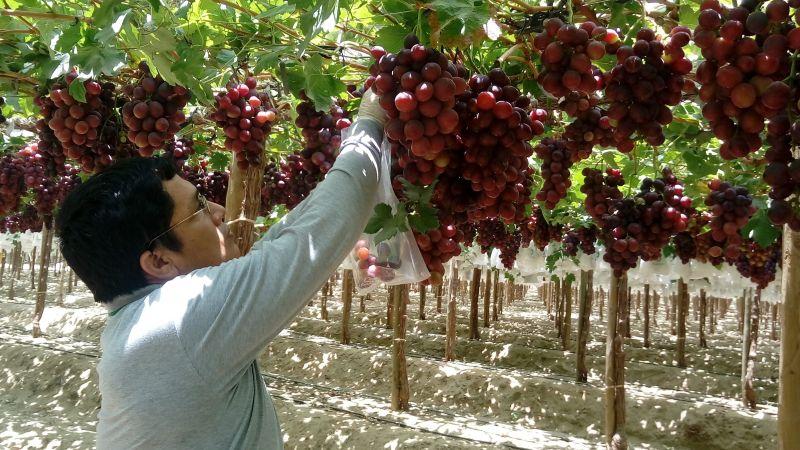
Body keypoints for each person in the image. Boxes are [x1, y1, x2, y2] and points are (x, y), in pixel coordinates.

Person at [55, 92, 387, 449]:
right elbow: (316, 235)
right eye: (199, 207)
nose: (220, 211)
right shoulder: (182, 318)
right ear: (159, 260)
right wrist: (370, 121)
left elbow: (285, 242)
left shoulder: (143, 320)